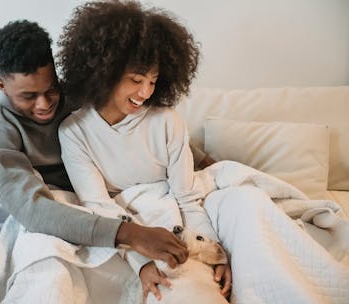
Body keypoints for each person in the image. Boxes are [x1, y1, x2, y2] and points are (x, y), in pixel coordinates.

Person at [0, 19, 190, 282]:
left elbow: (138, 130)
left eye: (51, 89)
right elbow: (32, 210)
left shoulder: (73, 94)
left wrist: (194, 155)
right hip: (37, 202)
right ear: (2, 85)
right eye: (28, 96)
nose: (44, 104)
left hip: (87, 189)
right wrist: (133, 234)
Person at [57, 1, 231, 302]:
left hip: (175, 219)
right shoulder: (74, 132)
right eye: (136, 80)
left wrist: (212, 251)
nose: (145, 93)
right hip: (124, 229)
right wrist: (143, 263)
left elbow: (187, 198)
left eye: (153, 81)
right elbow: (98, 204)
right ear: (105, 71)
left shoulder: (167, 121)